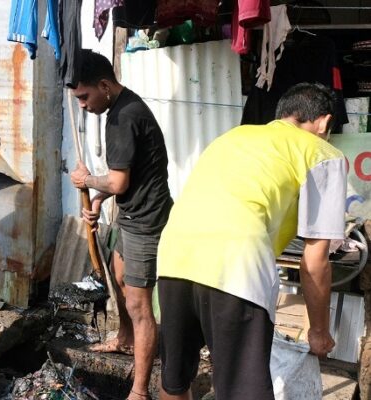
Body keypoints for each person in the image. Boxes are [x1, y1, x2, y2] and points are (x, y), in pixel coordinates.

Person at [157, 82, 343, 400]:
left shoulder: (233, 136)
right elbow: (315, 258)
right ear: (324, 122)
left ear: (282, 115)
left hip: (174, 257)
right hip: (235, 265)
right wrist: (319, 332)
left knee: (174, 382)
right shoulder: (323, 153)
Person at [68, 49, 173, 400]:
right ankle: (126, 339)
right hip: (131, 214)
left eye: (85, 96)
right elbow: (126, 178)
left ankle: (140, 391)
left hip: (147, 221)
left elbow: (117, 182)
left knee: (140, 305)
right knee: (118, 277)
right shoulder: (122, 108)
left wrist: (88, 182)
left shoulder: (122, 118)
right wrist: (97, 201)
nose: (82, 105)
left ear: (104, 85)